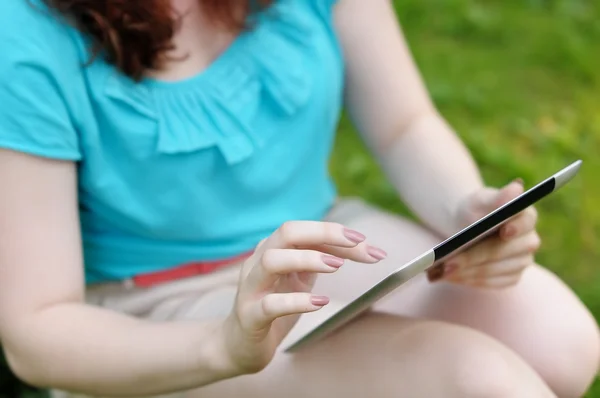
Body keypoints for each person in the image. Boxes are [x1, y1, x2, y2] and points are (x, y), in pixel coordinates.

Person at [0, 0, 597, 397]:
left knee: (560, 341)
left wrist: (465, 210)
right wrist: (222, 346)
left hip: (319, 239)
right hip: (156, 307)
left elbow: (404, 124)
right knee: (477, 382)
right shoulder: (23, 35)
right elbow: (37, 331)